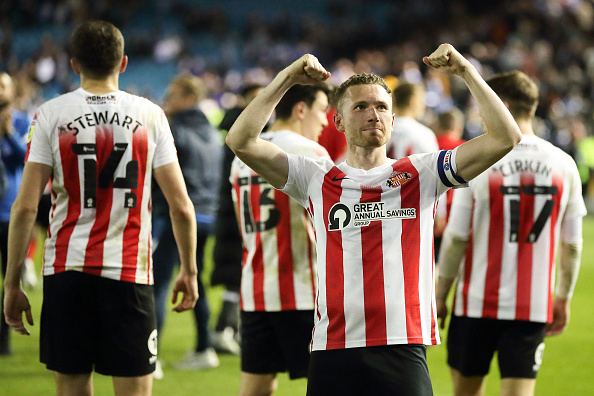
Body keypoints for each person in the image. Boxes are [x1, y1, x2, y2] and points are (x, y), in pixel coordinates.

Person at [225, 44, 522, 396]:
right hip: (333, 345)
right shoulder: (316, 177)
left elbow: (506, 137)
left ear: (393, 120)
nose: (373, 114)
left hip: (402, 342)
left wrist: (466, 71)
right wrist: (287, 79)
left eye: (382, 107)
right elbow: (240, 140)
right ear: (338, 120)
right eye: (361, 106)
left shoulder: (422, 173)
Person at [3, 21, 198, 396]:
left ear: (74, 64)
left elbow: (26, 207)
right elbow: (181, 207)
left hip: (67, 272)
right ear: (123, 64)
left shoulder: (50, 114)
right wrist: (189, 270)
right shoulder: (150, 115)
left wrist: (11, 283)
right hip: (128, 273)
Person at [436, 71, 586, 396]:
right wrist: (563, 296)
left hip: (475, 302)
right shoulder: (564, 163)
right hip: (530, 306)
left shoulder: (479, 162)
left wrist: (439, 294)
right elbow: (572, 244)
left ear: (500, 105)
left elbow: (457, 237)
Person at [231, 83, 331, 396]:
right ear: (301, 109)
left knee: (257, 386)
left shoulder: (243, 154)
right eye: (322, 110)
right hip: (304, 291)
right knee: (328, 382)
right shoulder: (312, 153)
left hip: (256, 288)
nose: (326, 121)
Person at [152, 74, 222, 374]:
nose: (167, 101)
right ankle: (204, 347)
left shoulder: (174, 130)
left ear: (189, 98)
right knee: (196, 280)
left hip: (176, 216)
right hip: (208, 215)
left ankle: (150, 356)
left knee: (159, 283)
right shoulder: (213, 133)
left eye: (173, 95)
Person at [210, 83, 263, 355]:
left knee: (240, 275)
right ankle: (224, 330)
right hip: (237, 212)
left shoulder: (237, 130)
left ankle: (230, 329)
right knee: (237, 275)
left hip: (236, 209)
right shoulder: (241, 134)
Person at [0, 71, 29, 356]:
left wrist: (8, 133)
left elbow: (28, 158)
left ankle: (3, 341)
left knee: (10, 278)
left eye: (3, 85)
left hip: (9, 214)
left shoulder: (21, 120)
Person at [433, 108, 466, 257]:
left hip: (431, 218)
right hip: (457, 218)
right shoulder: (466, 149)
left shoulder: (431, 146)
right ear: (458, 128)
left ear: (439, 126)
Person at [385, 82, 438, 159]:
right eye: (421, 100)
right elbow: (434, 167)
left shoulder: (380, 129)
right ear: (413, 101)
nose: (423, 105)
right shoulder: (424, 134)